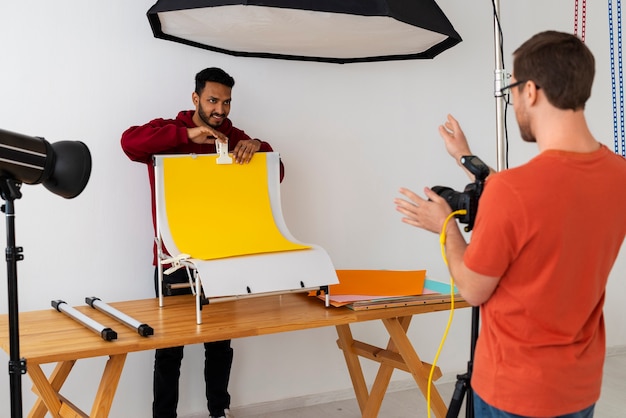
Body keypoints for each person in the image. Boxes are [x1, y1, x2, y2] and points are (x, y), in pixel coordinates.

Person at [395, 31, 626, 417]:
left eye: (513, 88)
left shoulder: (512, 192)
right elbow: (551, 201)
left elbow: (472, 289)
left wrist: (446, 229)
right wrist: (466, 157)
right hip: (580, 387)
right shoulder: (618, 175)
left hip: (514, 391)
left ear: (531, 90)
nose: (513, 99)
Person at [121, 67, 283, 418]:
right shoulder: (168, 129)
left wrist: (258, 147)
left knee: (220, 342)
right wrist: (186, 137)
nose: (220, 110)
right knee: (169, 348)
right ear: (195, 98)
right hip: (173, 258)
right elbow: (129, 143)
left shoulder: (234, 135)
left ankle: (218, 411)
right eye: (212, 100)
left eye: (226, 102)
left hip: (222, 258)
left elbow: (276, 172)